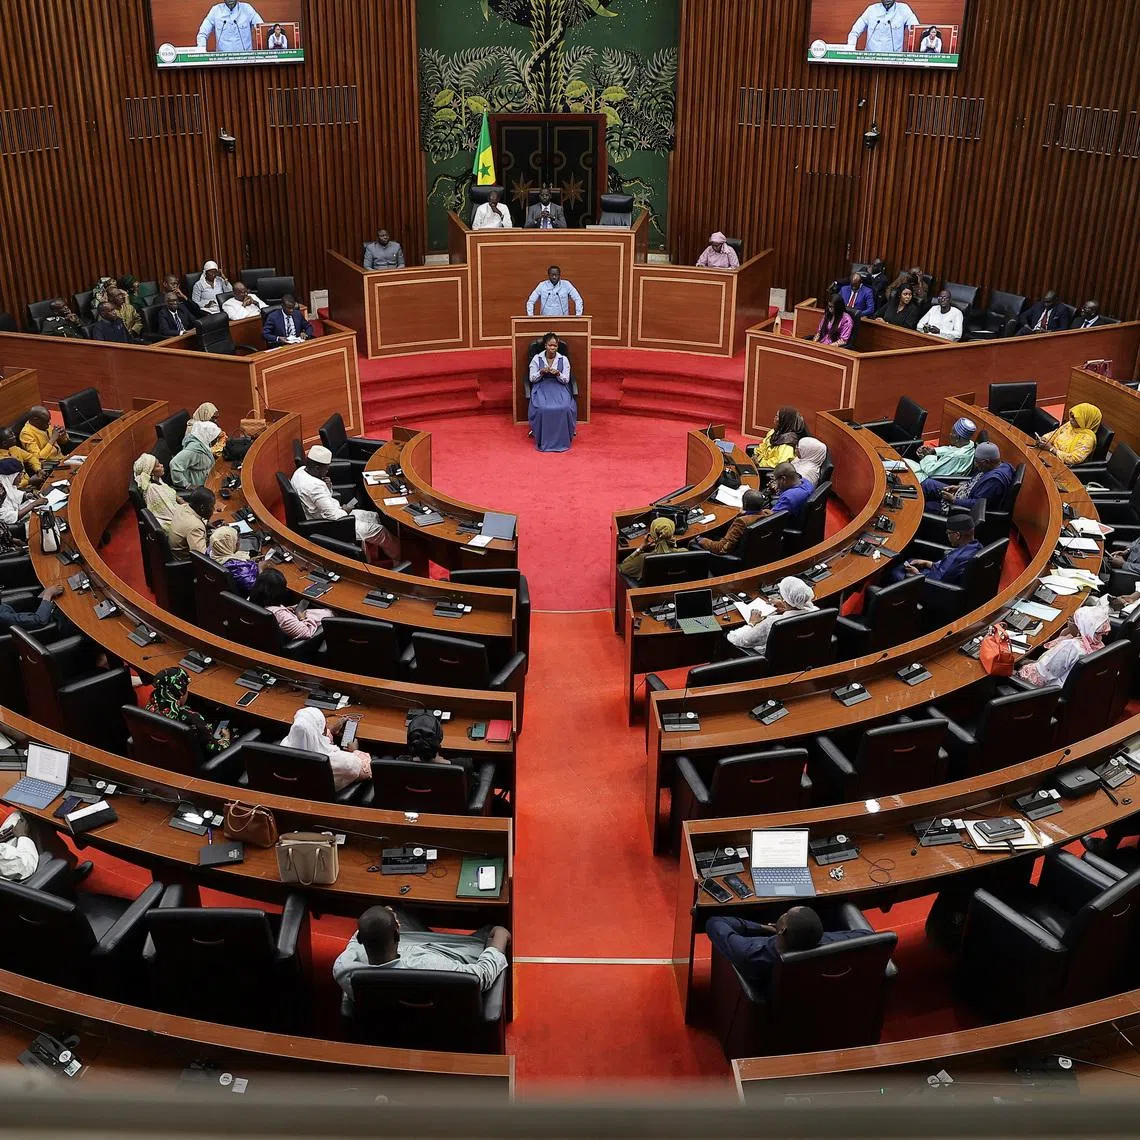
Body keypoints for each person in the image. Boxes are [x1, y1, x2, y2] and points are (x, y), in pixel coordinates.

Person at [333, 905, 510, 1016]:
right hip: (445, 1011)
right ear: (397, 933)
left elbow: (357, 939)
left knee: (399, 910)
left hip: (389, 1020)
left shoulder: (344, 967)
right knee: (490, 931)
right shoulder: (430, 967)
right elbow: (480, 977)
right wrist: (500, 938)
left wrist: (382, 918)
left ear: (362, 940)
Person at [706, 905, 865, 988]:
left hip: (765, 994)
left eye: (786, 914)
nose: (784, 914)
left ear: (782, 930)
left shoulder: (750, 954)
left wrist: (761, 927)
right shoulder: (838, 942)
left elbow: (715, 923)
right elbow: (868, 936)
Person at [291, 445, 392, 556]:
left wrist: (328, 487)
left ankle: (374, 554)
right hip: (332, 525)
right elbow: (335, 517)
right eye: (326, 468)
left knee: (375, 517)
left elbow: (321, 500)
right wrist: (346, 510)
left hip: (332, 513)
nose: (328, 471)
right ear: (316, 468)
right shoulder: (314, 487)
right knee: (381, 531)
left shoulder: (300, 471)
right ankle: (398, 562)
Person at [1016, 603, 1111, 688]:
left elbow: (1041, 675)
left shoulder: (1071, 647)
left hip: (1047, 692)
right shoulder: (1099, 644)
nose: (1068, 622)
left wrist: (1019, 668)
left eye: (1071, 620)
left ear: (1080, 627)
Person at [280, 706, 371, 790]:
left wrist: (331, 731)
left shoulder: (284, 747)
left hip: (297, 791)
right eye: (324, 724)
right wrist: (355, 751)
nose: (326, 723)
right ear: (321, 731)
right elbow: (368, 770)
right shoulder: (341, 761)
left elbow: (313, 739)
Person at [146, 666, 232, 752]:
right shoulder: (193, 719)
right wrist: (226, 739)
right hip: (193, 760)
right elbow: (215, 750)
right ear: (182, 693)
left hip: (158, 754)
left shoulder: (149, 708)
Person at [726, 576, 817, 655]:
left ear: (784, 599)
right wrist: (786, 606)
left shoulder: (773, 622)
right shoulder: (816, 612)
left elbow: (736, 639)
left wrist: (752, 623)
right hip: (800, 654)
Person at [890, 514, 982, 585]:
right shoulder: (977, 546)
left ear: (957, 535)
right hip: (935, 575)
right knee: (910, 561)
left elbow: (937, 582)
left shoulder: (957, 559)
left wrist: (917, 574)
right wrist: (927, 563)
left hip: (929, 586)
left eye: (949, 533)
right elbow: (944, 569)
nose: (947, 535)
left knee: (894, 572)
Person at [249, 567, 333, 639]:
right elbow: (306, 632)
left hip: (263, 639)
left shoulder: (251, 600)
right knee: (330, 613)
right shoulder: (281, 615)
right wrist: (301, 617)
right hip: (299, 645)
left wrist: (288, 610)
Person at [527, 332, 576, 453]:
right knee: (543, 409)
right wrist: (541, 372)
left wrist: (558, 373)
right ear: (545, 345)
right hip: (542, 386)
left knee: (564, 408)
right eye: (550, 345)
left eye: (555, 346)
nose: (552, 348)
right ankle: (541, 436)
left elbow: (566, 379)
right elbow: (531, 378)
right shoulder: (537, 358)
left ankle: (564, 438)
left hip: (559, 387)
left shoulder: (563, 359)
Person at [927, 442, 1014, 510]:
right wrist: (958, 487)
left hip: (960, 508)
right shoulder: (1001, 465)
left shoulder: (994, 481)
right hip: (962, 493)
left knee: (926, 506)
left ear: (987, 462)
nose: (975, 465)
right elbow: (975, 484)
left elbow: (977, 504)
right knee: (928, 484)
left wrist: (954, 500)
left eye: (977, 461)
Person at [694, 489, 768, 556]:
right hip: (756, 552)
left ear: (744, 504)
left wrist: (701, 540)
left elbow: (721, 548)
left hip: (731, 558)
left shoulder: (741, 522)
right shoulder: (769, 514)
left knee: (692, 542)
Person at [907, 417, 977, 481]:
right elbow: (951, 449)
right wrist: (934, 451)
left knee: (902, 467)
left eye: (952, 432)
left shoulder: (956, 456)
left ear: (957, 437)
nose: (950, 434)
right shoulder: (969, 444)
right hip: (931, 471)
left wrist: (926, 456)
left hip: (927, 478)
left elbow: (930, 471)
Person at [619, 517, 681, 581]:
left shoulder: (644, 559)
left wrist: (642, 547)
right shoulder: (684, 552)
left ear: (653, 536)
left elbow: (622, 567)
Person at [847, 0, 921, 53]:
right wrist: (850, 51)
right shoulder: (871, 10)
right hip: (870, 60)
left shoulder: (904, 9)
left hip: (894, 61)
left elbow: (916, 30)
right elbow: (854, 32)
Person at [132, 453, 179, 531]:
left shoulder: (157, 480)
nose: (162, 465)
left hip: (179, 515)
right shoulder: (153, 490)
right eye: (158, 466)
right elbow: (171, 515)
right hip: (175, 527)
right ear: (151, 472)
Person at [207, 525, 259, 595]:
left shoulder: (210, 551)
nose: (238, 543)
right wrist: (260, 569)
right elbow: (254, 587)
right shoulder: (237, 567)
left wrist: (250, 562)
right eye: (236, 540)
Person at [197, 0, 263, 52]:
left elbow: (261, 28)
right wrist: (201, 52)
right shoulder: (215, 11)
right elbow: (202, 34)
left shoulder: (247, 9)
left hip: (245, 59)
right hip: (222, 60)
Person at [169, 422, 219, 489]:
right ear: (208, 436)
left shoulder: (202, 443)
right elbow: (174, 464)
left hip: (208, 479)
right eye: (215, 438)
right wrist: (188, 485)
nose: (216, 440)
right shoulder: (194, 450)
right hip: (199, 485)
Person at [167, 487, 215, 556]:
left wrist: (206, 523)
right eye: (212, 506)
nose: (213, 509)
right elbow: (202, 557)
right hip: (185, 562)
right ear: (202, 508)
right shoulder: (195, 527)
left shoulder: (183, 507)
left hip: (175, 552)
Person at [0, 459, 44, 529]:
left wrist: (26, 496)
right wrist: (33, 504)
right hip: (11, 528)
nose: (21, 478)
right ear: (12, 476)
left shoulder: (5, 483)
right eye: (20, 475)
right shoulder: (1, 492)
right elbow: (8, 518)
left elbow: (13, 493)